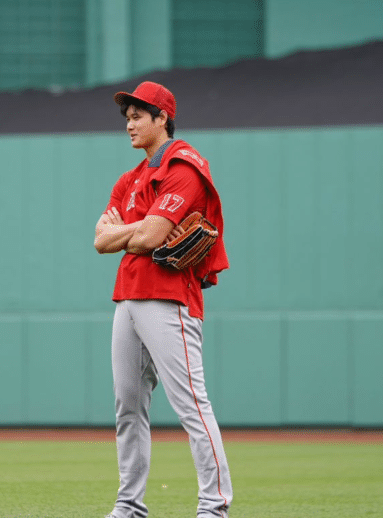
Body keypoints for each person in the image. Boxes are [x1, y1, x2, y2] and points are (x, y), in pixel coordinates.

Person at [94, 81, 233, 518]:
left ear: (163, 119)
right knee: (128, 408)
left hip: (170, 296)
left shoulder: (185, 167)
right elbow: (100, 241)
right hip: (129, 297)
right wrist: (132, 236)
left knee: (192, 403)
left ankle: (214, 506)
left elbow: (152, 236)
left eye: (140, 115)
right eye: (128, 116)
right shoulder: (129, 178)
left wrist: (130, 233)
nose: (131, 123)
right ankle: (129, 506)